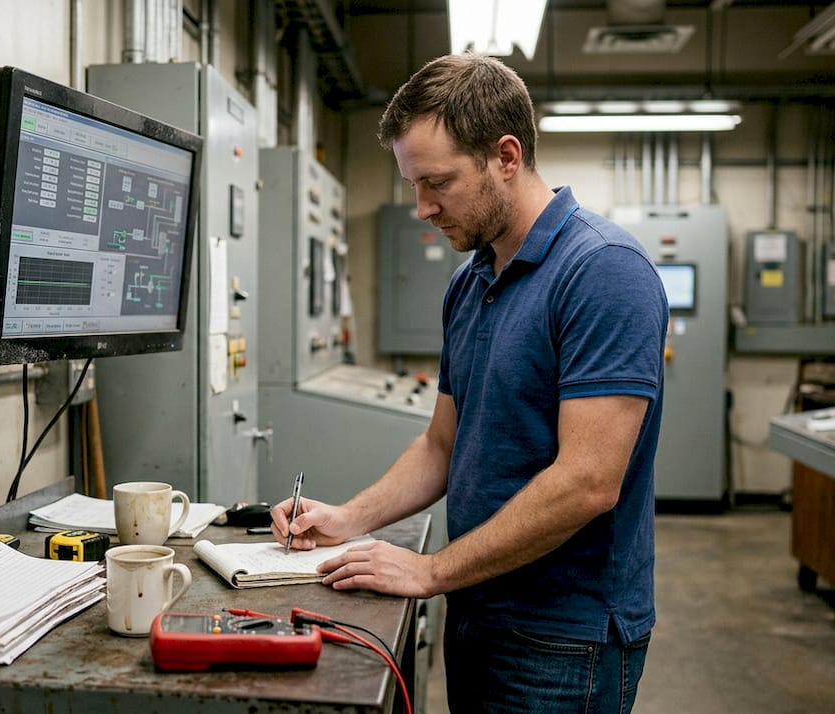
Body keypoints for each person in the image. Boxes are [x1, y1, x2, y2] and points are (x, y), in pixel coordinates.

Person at [270, 53, 668, 713]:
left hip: (565, 640)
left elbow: (590, 482)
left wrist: (431, 570)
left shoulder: (602, 272)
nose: (423, 208)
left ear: (505, 156)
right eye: (413, 186)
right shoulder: (471, 281)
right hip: (479, 608)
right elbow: (442, 445)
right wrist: (347, 519)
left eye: (438, 183)